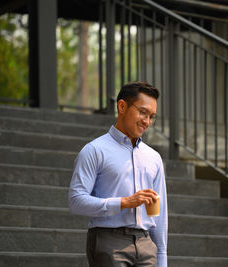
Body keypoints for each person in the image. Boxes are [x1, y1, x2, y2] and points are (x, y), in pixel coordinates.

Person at [69, 81, 167, 267]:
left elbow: (160, 215)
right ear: (122, 106)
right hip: (108, 242)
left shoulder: (154, 157)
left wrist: (161, 257)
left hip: (146, 245)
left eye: (152, 116)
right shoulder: (94, 150)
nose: (147, 121)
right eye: (143, 112)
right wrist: (124, 202)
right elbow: (76, 201)